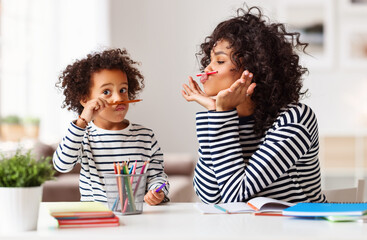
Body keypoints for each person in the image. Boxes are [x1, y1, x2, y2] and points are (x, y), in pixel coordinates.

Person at [181, 6, 326, 204]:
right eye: (209, 59)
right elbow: (209, 198)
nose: (207, 69)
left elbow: (235, 196)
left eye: (220, 61)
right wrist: (215, 113)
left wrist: (220, 114)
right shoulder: (222, 117)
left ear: (251, 69)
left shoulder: (295, 119)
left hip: (299, 229)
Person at [54, 48, 169, 205]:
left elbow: (158, 176)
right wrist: (82, 121)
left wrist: (158, 191)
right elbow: (62, 165)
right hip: (96, 221)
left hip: (136, 219)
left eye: (123, 90)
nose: (119, 98)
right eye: (107, 91)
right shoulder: (83, 135)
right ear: (85, 100)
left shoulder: (145, 136)